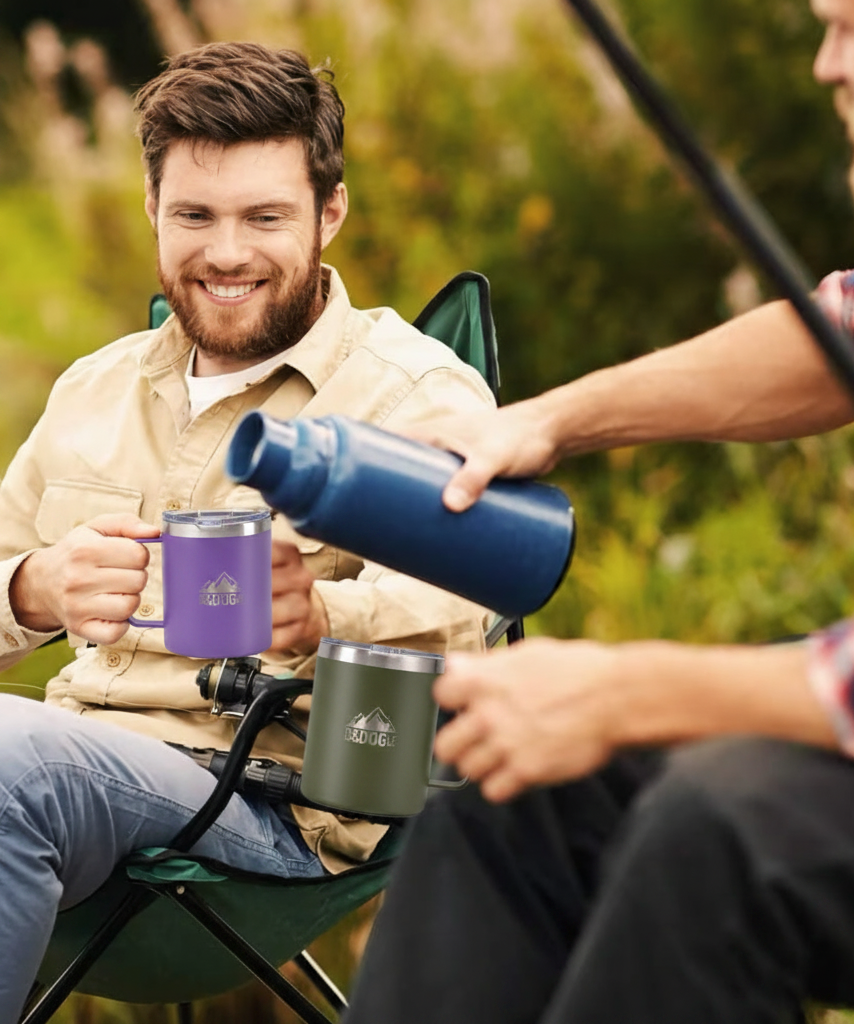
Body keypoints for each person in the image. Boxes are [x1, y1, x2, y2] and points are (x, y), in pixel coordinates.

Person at [342, 0, 854, 1021]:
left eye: (844, 28)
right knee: (517, 790)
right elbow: (844, 333)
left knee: (718, 831)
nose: (825, 67)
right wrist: (553, 419)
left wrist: (630, 687)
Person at [0, 40, 495, 1023]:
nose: (226, 252)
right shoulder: (95, 388)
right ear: (153, 210)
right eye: (195, 214)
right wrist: (34, 590)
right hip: (72, 769)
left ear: (331, 212)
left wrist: (319, 612)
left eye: (265, 216)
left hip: (267, 808)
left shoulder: (410, 394)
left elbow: (470, 609)